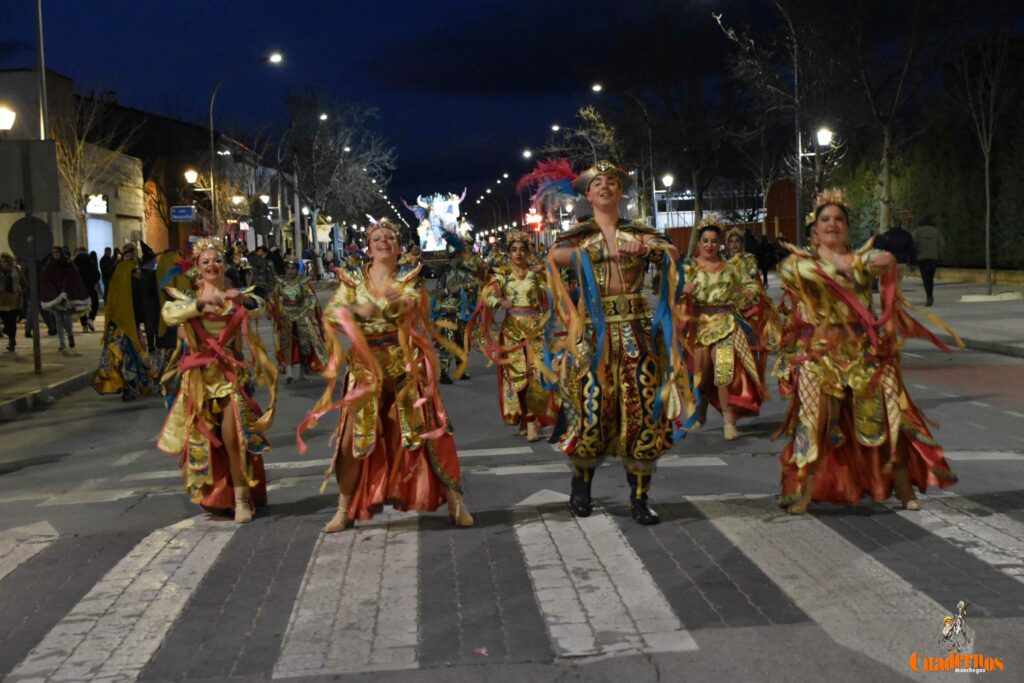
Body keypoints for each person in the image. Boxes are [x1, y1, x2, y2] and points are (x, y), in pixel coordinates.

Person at [776, 189, 959, 515]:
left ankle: (903, 488)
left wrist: (885, 264)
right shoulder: (799, 264)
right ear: (814, 228)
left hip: (865, 353)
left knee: (892, 417)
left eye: (839, 219)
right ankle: (802, 489)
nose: (832, 224)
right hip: (821, 355)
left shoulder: (864, 259)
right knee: (814, 419)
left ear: (847, 226)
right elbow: (801, 275)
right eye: (825, 219)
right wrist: (850, 265)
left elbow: (885, 268)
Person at [300, 218, 473, 531]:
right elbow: (332, 312)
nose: (383, 241)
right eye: (377, 238)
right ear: (369, 246)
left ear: (398, 246)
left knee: (430, 432)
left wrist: (389, 306)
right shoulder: (352, 277)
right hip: (365, 370)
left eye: (389, 238)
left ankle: (456, 502)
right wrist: (354, 312)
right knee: (351, 439)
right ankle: (343, 509)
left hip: (405, 364)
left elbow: (410, 306)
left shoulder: (410, 275)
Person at [547, 160, 686, 525]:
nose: (605, 187)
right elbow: (554, 258)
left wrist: (647, 252)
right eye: (598, 184)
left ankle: (640, 497)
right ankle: (582, 485)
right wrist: (594, 253)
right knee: (592, 410)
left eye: (611, 182)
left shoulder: (640, 232)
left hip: (636, 332)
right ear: (588, 195)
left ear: (620, 192)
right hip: (593, 333)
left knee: (642, 412)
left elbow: (672, 254)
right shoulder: (579, 236)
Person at [158, 237, 277, 523]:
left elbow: (261, 306)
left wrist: (243, 299)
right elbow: (170, 315)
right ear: (197, 269)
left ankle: (241, 500)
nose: (213, 264)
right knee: (203, 443)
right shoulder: (186, 301)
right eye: (206, 261)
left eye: (217, 260)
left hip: (230, 377)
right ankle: (217, 496)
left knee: (235, 436)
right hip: (199, 382)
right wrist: (200, 303)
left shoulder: (236, 295)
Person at [682, 225, 765, 440]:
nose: (710, 245)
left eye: (714, 241)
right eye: (705, 241)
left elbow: (752, 285)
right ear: (699, 244)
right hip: (698, 327)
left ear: (720, 244)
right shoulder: (689, 270)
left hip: (726, 325)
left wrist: (750, 291)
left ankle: (729, 422)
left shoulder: (731, 268)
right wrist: (682, 292)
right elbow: (669, 294)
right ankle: (699, 416)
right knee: (701, 375)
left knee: (724, 372)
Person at [476, 231, 555, 442]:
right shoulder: (502, 275)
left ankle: (532, 421)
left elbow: (550, 297)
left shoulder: (536, 274)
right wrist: (499, 302)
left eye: (522, 249)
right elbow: (487, 295)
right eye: (514, 250)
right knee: (517, 377)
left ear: (528, 251)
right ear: (508, 252)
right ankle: (524, 420)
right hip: (512, 331)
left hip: (534, 330)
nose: (518, 254)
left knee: (536, 375)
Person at [91, 243, 154, 400]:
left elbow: (143, 298)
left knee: (133, 359)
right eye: (126, 253)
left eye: (130, 253)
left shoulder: (136, 272)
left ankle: (133, 386)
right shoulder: (121, 272)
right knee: (125, 359)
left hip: (132, 325)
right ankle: (129, 387)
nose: (128, 256)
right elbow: (113, 298)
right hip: (122, 326)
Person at [270, 258, 328, 382]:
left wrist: (310, 309)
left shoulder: (303, 282)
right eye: (288, 268)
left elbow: (310, 298)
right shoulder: (280, 283)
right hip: (286, 314)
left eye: (293, 268)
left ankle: (303, 370)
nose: (290, 271)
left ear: (297, 269)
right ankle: (289, 371)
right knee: (286, 343)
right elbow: (274, 300)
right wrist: (274, 312)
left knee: (304, 344)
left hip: (302, 314)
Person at [40, 246, 91, 352]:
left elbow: (73, 278)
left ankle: (70, 335)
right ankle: (61, 342)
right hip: (55, 295)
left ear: (60, 253)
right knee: (58, 319)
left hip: (67, 295)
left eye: (57, 252)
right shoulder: (49, 266)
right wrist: (53, 293)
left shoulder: (67, 264)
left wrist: (65, 291)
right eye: (53, 252)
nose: (55, 254)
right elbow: (46, 280)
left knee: (67, 318)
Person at [913, 215, 944, 306]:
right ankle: (930, 295)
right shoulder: (936, 231)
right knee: (930, 277)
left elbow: (913, 244)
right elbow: (942, 244)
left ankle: (929, 296)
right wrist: (938, 253)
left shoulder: (917, 231)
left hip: (922, 258)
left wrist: (915, 255)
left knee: (925, 278)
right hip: (933, 257)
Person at [0, 253, 25, 352]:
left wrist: (20, 292)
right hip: (2, 299)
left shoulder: (16, 270)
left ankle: (11, 340)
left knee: (12, 321)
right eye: (2, 261)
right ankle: (9, 334)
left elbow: (24, 283)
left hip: (14, 298)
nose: (3, 263)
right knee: (6, 321)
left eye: (5, 261)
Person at [73, 248, 101, 332]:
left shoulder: (75, 262)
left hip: (79, 287)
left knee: (82, 305)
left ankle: (84, 325)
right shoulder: (90, 260)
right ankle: (91, 319)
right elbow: (96, 273)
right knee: (94, 303)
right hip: (90, 285)